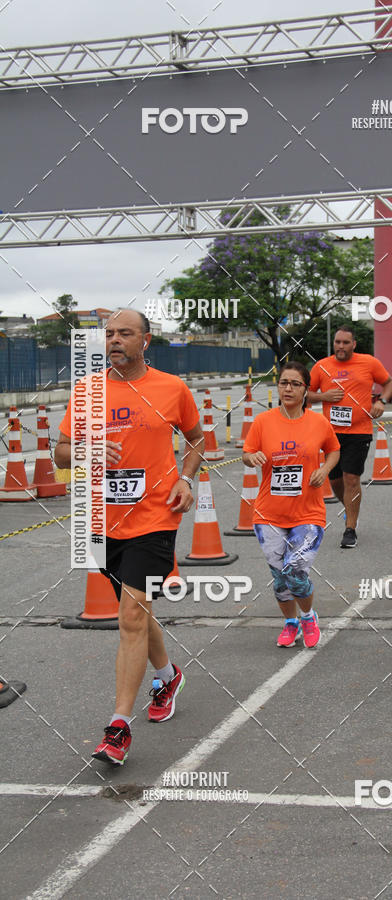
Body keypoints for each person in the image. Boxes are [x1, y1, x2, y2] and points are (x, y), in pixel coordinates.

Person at [55, 309, 204, 765]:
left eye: (124, 333)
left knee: (130, 617)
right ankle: (168, 675)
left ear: (146, 340)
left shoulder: (171, 388)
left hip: (156, 519)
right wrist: (86, 449)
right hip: (102, 522)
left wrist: (186, 479)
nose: (114, 340)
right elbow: (60, 451)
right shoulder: (87, 391)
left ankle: (118, 727)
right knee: (137, 613)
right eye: (109, 334)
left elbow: (196, 440)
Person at [242, 362, 339, 649]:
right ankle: (290, 622)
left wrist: (324, 471)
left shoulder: (318, 422)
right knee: (279, 576)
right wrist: (253, 457)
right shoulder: (263, 421)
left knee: (295, 571)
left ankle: (308, 616)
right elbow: (247, 453)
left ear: (306, 390)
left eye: (295, 383)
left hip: (308, 512)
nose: (288, 388)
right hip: (268, 513)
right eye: (284, 382)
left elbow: (333, 450)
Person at [308, 326, 392, 548]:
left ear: (354, 344)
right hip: (330, 434)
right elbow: (304, 392)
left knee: (351, 478)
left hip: (359, 431)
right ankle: (350, 509)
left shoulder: (369, 362)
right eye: (337, 342)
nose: (341, 347)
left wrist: (381, 401)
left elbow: (389, 383)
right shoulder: (322, 366)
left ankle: (350, 529)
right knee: (335, 480)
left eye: (346, 342)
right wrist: (323, 396)